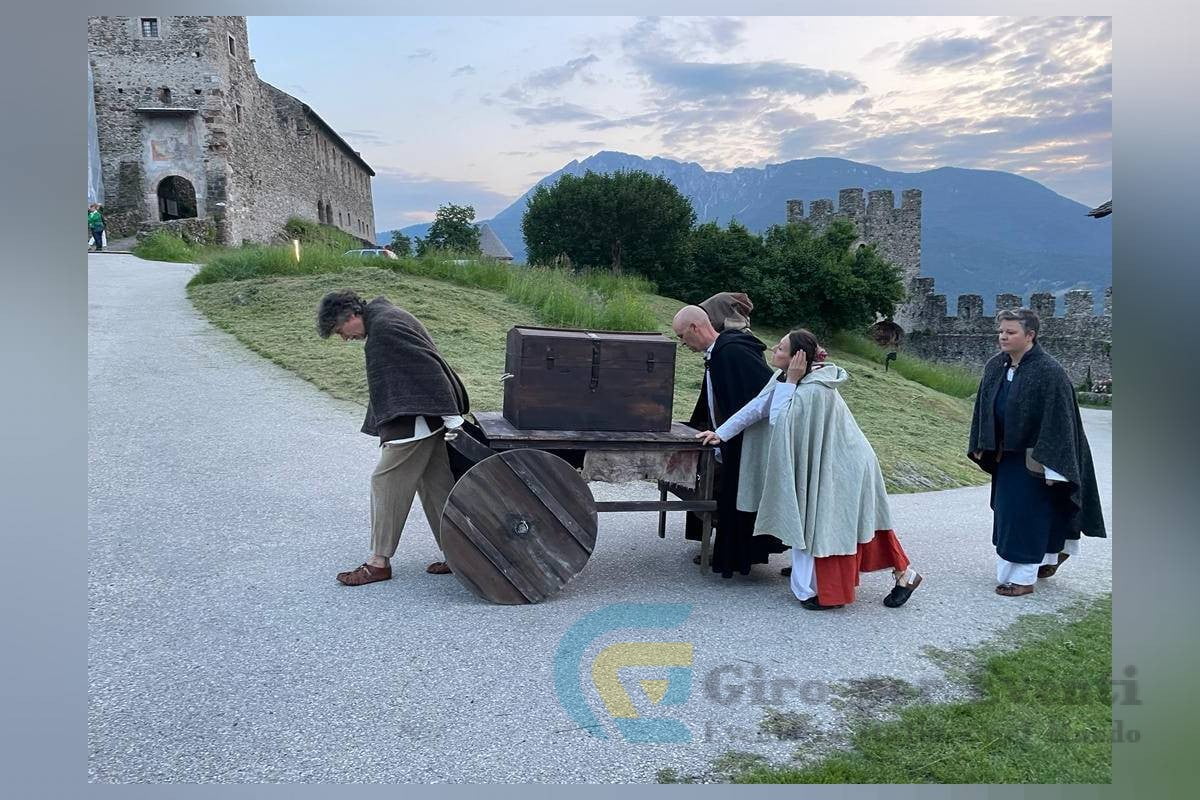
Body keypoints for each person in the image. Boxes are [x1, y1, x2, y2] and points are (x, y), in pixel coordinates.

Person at [698, 329, 923, 610]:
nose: (773, 351)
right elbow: (759, 407)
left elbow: (781, 423)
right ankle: (902, 575)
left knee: (840, 526)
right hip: (831, 462)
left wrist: (791, 381)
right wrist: (722, 433)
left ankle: (867, 582)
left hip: (846, 465)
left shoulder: (815, 388)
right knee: (853, 524)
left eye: (780, 348)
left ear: (798, 358)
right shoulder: (788, 380)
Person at [317, 290, 470, 586]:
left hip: (414, 422)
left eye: (339, 331)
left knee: (384, 482)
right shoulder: (387, 319)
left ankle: (378, 563)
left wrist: (451, 414)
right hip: (424, 417)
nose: (343, 338)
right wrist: (448, 415)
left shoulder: (384, 329)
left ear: (350, 316)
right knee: (436, 486)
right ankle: (462, 554)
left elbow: (428, 368)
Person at [968, 308, 1106, 597]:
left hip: (1038, 459)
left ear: (1030, 335)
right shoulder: (996, 366)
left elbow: (1060, 421)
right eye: (1001, 331)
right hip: (1006, 456)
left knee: (1026, 515)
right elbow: (984, 407)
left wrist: (1055, 466)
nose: (1003, 337)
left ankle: (1022, 579)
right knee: (1008, 514)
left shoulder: (1048, 371)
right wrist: (983, 442)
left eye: (1010, 332)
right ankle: (1047, 558)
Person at [671, 304, 788, 578]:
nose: (682, 343)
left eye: (681, 336)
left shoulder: (733, 350)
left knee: (734, 495)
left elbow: (763, 397)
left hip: (744, 441)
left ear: (694, 328)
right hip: (727, 438)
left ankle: (736, 554)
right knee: (722, 492)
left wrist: (728, 434)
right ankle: (725, 549)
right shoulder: (719, 353)